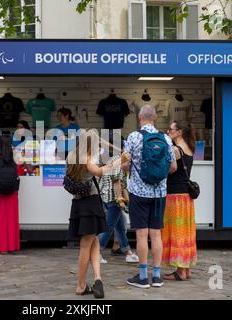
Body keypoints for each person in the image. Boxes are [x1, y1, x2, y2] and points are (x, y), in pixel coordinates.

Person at [65, 131, 127, 299]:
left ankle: (98, 278)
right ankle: (80, 285)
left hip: (78, 204)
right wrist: (117, 162)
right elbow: (99, 172)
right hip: (90, 204)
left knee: (94, 242)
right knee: (86, 245)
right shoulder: (87, 160)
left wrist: (104, 144)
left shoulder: (71, 156)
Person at [123, 105, 177, 289]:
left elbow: (124, 166)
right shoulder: (166, 139)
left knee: (141, 234)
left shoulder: (133, 137)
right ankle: (157, 276)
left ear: (140, 118)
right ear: (155, 118)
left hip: (138, 192)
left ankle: (143, 277)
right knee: (156, 234)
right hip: (159, 193)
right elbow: (173, 167)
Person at [162, 121, 197, 281]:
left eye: (171, 129)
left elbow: (168, 170)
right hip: (186, 198)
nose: (168, 131)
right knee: (186, 233)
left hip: (175, 196)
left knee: (177, 233)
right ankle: (186, 268)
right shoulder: (189, 148)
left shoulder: (176, 149)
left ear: (180, 132)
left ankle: (180, 271)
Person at [98, 137, 138, 264]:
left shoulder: (105, 160)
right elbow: (117, 181)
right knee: (108, 227)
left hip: (105, 196)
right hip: (113, 199)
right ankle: (96, 252)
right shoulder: (116, 161)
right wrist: (120, 199)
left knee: (120, 227)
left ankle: (128, 253)